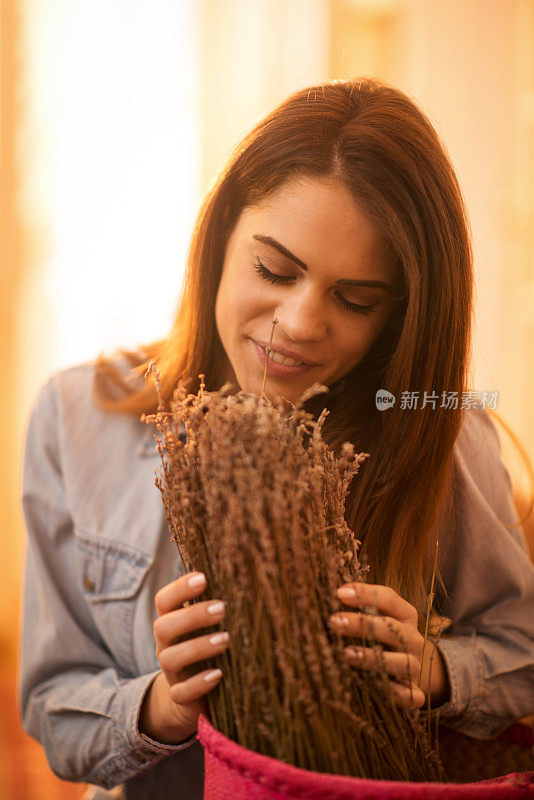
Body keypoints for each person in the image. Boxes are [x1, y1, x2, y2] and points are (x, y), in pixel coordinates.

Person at [18, 78, 534, 799]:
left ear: (400, 315)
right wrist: (161, 706)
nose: (298, 323)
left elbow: (523, 652)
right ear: (221, 233)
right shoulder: (79, 415)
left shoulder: (436, 429)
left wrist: (438, 669)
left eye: (354, 300)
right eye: (275, 269)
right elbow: (53, 706)